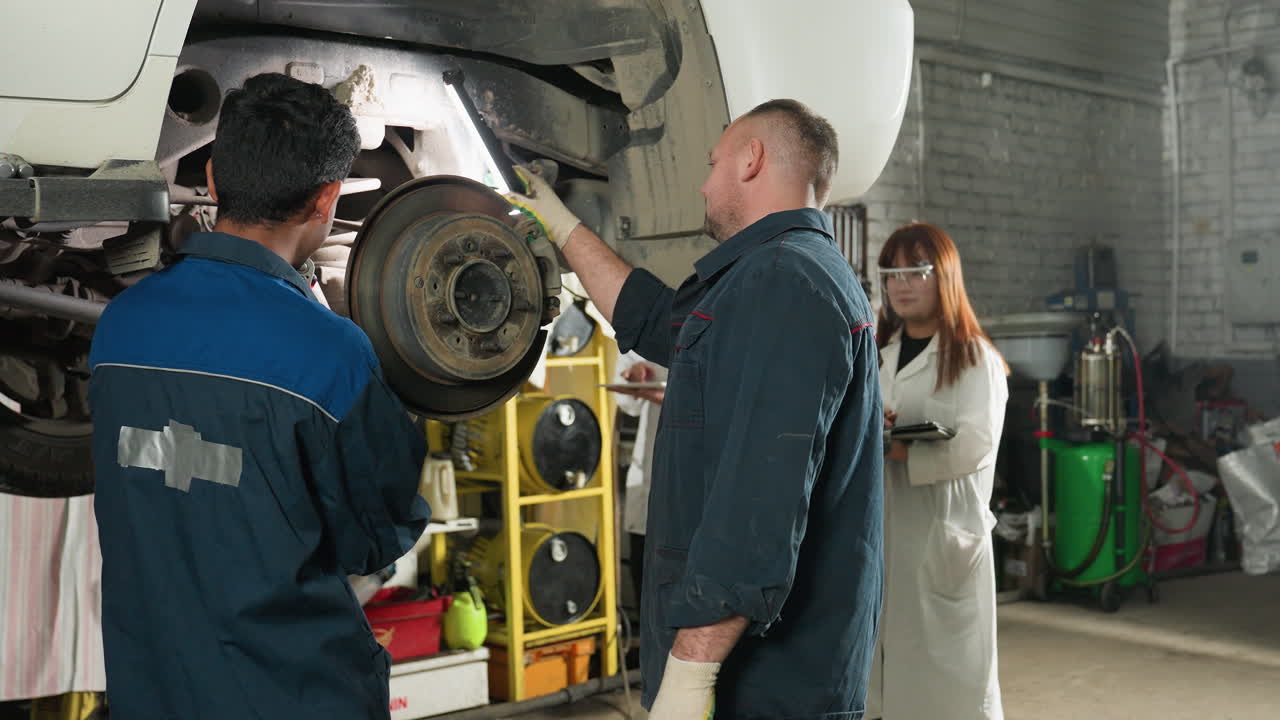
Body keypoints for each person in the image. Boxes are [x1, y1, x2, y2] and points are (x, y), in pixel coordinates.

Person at [508, 99, 883, 719]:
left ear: (751, 158)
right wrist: (563, 227)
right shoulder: (769, 276)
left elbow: (757, 505)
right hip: (748, 671)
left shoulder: (789, 283)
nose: (704, 184)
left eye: (713, 163)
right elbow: (657, 322)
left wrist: (690, 671)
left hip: (764, 684)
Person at [88, 74, 429, 720]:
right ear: (328, 199)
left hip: (151, 694)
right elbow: (377, 538)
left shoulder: (119, 328)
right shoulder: (333, 355)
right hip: (293, 698)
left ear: (213, 180)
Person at [868, 222, 1009, 720]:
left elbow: (977, 443)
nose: (901, 284)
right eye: (891, 273)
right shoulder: (876, 356)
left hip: (945, 533)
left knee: (952, 678)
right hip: (885, 526)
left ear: (943, 276)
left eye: (915, 271)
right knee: (888, 666)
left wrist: (906, 452)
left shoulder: (975, 359)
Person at [611, 351, 667, 601]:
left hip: (697, 492)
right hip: (648, 482)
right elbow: (627, 400)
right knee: (647, 593)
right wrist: (635, 375)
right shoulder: (660, 318)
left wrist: (673, 397)